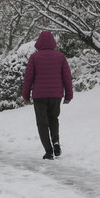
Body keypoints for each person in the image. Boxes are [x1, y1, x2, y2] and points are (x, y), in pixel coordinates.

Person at [22, 31, 73, 160]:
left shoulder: (34, 57)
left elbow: (28, 78)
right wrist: (68, 95)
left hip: (39, 96)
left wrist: (26, 95)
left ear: (39, 42)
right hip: (56, 95)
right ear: (53, 42)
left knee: (42, 123)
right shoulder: (60, 57)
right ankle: (55, 141)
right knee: (53, 119)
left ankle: (49, 151)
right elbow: (67, 77)